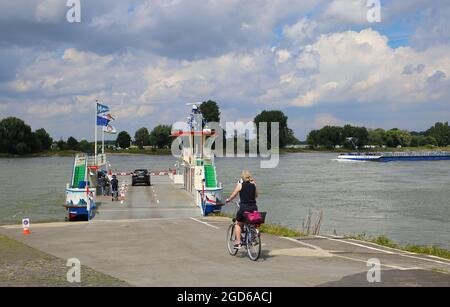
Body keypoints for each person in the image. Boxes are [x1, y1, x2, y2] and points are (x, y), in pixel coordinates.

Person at [226, 170, 258, 248]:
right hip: (254, 208)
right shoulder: (254, 185)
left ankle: (238, 242)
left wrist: (228, 199)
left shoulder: (240, 185)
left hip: (244, 208)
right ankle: (253, 238)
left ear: (242, 178)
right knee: (251, 223)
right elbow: (256, 195)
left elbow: (233, 195)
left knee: (238, 223)